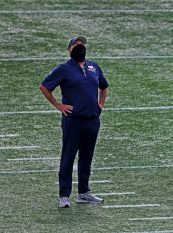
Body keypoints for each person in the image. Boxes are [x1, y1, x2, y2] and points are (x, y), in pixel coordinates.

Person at [39, 36, 109, 208]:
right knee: (68, 157)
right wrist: (58, 105)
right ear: (69, 49)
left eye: (82, 45)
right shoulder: (64, 69)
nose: (80, 47)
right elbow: (44, 86)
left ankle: (83, 193)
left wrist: (100, 105)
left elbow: (104, 86)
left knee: (86, 157)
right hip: (73, 121)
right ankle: (64, 195)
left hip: (92, 120)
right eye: (76, 45)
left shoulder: (94, 66)